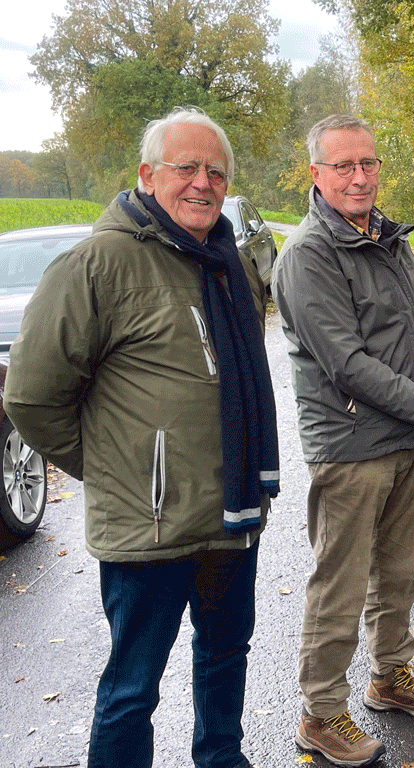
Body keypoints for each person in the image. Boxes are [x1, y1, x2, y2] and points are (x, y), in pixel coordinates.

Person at [3, 107, 279, 768]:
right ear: (147, 174)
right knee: (132, 689)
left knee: (225, 658)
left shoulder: (228, 263)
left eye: (216, 172)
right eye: (186, 167)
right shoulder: (97, 263)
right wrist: (120, 467)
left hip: (232, 512)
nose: (202, 183)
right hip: (148, 525)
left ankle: (222, 760)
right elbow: (31, 398)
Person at [273, 114, 414, 767]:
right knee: (339, 585)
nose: (360, 176)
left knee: (396, 574)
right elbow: (348, 364)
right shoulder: (309, 256)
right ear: (316, 174)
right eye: (343, 165)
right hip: (349, 444)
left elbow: (409, 322)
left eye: (367, 163)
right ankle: (319, 713)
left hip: (403, 437)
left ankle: (389, 677)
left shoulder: (387, 237)